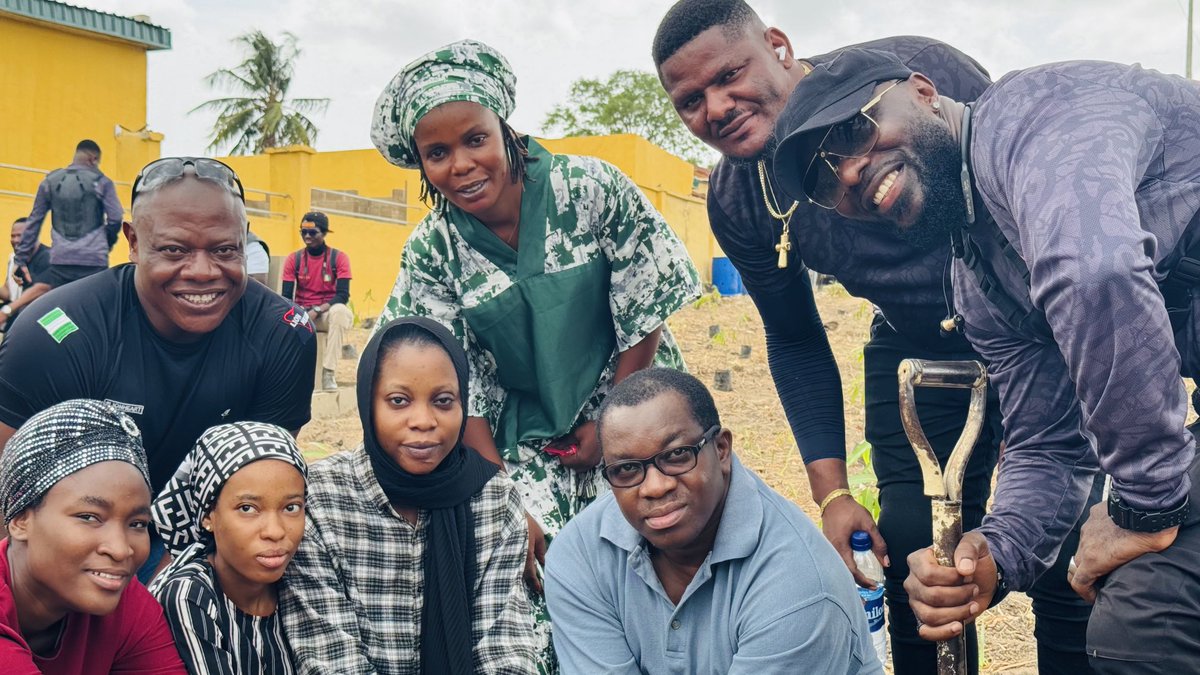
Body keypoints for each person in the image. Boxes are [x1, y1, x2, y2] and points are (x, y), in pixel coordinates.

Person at [651, 3, 1098, 673]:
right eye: (690, 101)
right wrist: (832, 492)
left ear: (777, 45)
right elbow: (796, 336)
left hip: (1036, 327)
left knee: (1068, 552)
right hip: (916, 344)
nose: (715, 106)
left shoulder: (909, 74)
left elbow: (1026, 187)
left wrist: (1044, 390)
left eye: (729, 74)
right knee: (918, 554)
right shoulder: (740, 198)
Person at [771, 49, 1200, 672]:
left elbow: (1091, 271)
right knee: (1144, 625)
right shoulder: (979, 281)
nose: (851, 173)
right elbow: (1050, 444)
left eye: (854, 130)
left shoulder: (1036, 118)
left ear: (921, 91)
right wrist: (993, 557)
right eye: (823, 181)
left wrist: (1144, 504)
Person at [370, 39, 700, 669]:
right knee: (532, 561)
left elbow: (644, 309)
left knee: (654, 536)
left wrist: (611, 429)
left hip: (635, 397)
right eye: (436, 153)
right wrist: (504, 502)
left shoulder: (591, 190)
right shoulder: (432, 251)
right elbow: (447, 384)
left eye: (474, 138)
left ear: (506, 129)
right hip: (519, 434)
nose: (460, 164)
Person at [0, 157, 317, 577]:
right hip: (84, 540)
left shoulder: (282, 335)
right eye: (174, 250)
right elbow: (12, 502)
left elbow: (260, 494)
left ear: (245, 239)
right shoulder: (54, 335)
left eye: (224, 250)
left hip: (205, 540)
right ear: (132, 241)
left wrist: (173, 587)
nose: (203, 272)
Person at [545, 367, 879, 674]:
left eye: (677, 455)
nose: (655, 487)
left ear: (721, 449)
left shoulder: (798, 587)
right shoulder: (581, 556)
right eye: (627, 469)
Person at [281, 317, 536, 674]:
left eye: (443, 401)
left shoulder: (493, 498)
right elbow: (332, 661)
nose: (423, 421)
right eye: (399, 401)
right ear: (368, 404)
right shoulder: (321, 499)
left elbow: (505, 651)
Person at [0, 399, 185, 673]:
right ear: (20, 520)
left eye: (137, 523)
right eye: (89, 517)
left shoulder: (125, 604)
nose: (121, 550)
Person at [149, 422, 307, 675]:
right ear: (208, 515)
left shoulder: (304, 576)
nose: (275, 531)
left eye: (291, 507)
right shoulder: (189, 596)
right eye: (247, 508)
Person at [15, 139, 125, 289]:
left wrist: (20, 259)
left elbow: (34, 221)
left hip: (61, 259)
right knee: (93, 308)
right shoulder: (102, 182)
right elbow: (116, 218)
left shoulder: (50, 182)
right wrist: (107, 242)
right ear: (93, 159)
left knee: (62, 308)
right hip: (93, 259)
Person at [281, 211, 353, 390]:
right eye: (303, 232)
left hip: (325, 315)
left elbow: (343, 295)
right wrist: (301, 313)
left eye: (313, 233)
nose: (307, 236)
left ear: (324, 233)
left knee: (340, 312)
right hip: (302, 314)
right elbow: (286, 297)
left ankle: (328, 372)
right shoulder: (294, 259)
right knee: (280, 319)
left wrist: (318, 310)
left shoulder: (339, 258)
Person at [1, 218, 52, 330]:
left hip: (43, 323)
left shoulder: (48, 257)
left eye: (20, 235)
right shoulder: (13, 258)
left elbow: (42, 288)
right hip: (19, 319)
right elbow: (9, 293)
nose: (15, 240)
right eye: (13, 236)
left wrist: (7, 310)